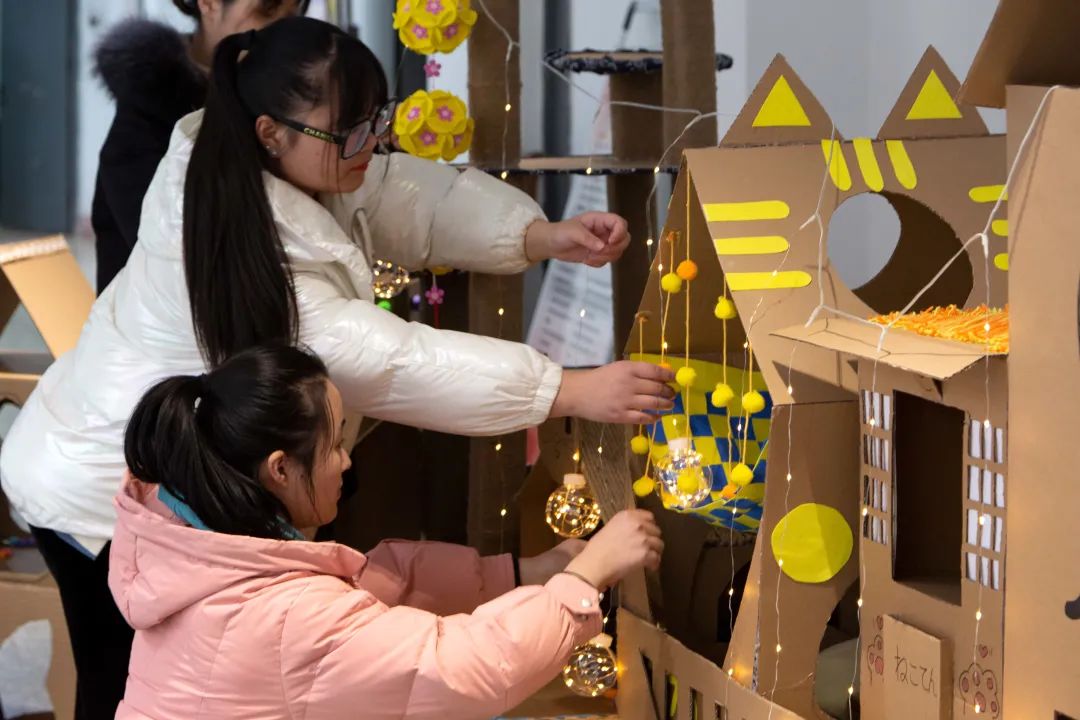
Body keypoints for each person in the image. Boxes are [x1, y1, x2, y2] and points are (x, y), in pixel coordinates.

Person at [0, 15, 674, 717]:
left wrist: (536, 234)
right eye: (349, 131)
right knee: (128, 685)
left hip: (162, 485)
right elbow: (395, 363)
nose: (371, 145)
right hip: (97, 489)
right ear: (271, 132)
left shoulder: (270, 159)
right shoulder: (241, 246)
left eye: (375, 121)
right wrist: (568, 393)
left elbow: (398, 192)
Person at [111, 344, 663, 719]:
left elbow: (366, 584)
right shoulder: (285, 615)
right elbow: (459, 669)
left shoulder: (195, 543)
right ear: (279, 469)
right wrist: (584, 577)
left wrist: (524, 573)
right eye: (334, 445)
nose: (346, 462)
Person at [93, 0, 309, 294]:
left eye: (293, 14)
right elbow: (181, 261)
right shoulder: (146, 123)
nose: (282, 31)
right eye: (266, 11)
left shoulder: (279, 94)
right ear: (208, 3)